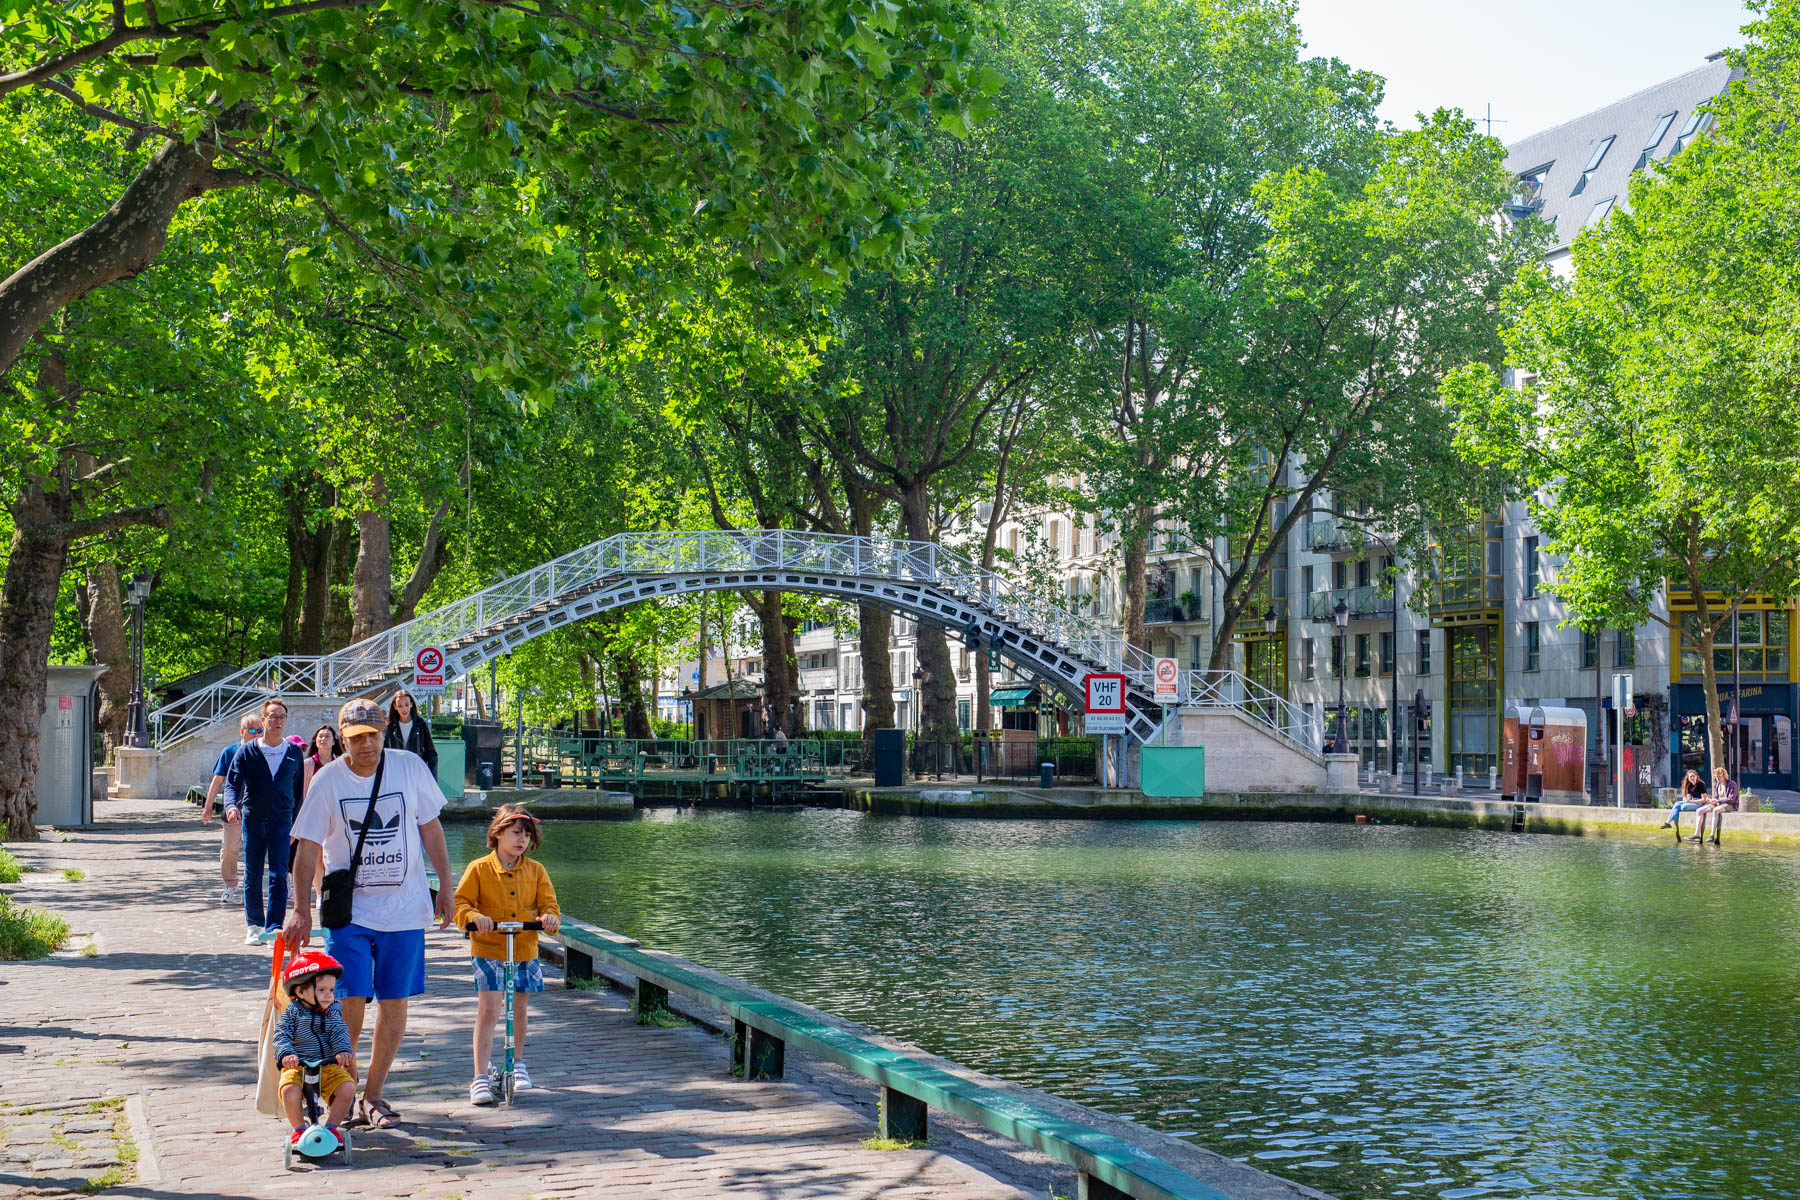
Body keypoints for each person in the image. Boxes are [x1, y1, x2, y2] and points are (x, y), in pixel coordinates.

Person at [286, 697, 454, 1131]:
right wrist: (300, 909)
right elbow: (305, 847)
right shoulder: (327, 780)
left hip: (404, 910)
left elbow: (430, 827)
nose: (367, 745)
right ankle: (341, 1089)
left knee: (395, 1005)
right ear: (343, 738)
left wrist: (447, 888)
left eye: (373, 736)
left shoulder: (409, 767)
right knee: (347, 1004)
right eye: (357, 738)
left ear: (384, 734)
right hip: (351, 912)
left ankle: (374, 1095)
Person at [451, 805, 560, 1106]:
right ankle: (479, 1077)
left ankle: (518, 1063)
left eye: (526, 835)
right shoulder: (479, 868)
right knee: (489, 1008)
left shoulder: (536, 871)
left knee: (520, 1008)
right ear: (498, 834)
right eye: (515, 833)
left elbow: (550, 905)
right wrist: (475, 916)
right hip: (489, 949)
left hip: (524, 948)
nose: (521, 840)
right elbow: (461, 904)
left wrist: (550, 918)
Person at [224, 699, 311, 945]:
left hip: (282, 820)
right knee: (252, 874)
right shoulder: (248, 751)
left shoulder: (293, 752)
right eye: (272, 716)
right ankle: (253, 925)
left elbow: (298, 793)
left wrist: (297, 825)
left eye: (282, 717)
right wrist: (231, 806)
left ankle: (273, 927)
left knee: (279, 874)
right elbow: (232, 784)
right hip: (253, 818)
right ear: (263, 720)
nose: (277, 721)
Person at [273, 950, 357, 1144]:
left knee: (347, 1088)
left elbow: (339, 1032)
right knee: (289, 1091)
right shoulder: (292, 1013)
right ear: (300, 991)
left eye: (331, 990)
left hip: (327, 1066)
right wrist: (286, 1054)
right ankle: (299, 1130)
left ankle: (331, 1128)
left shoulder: (333, 1012)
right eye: (321, 990)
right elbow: (281, 1034)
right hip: (298, 1066)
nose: (328, 996)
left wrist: (342, 1050)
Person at [200, 713, 259, 907]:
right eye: (252, 731)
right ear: (242, 732)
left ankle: (252, 889)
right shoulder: (230, 751)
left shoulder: (267, 751)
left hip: (259, 810)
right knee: (230, 849)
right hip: (234, 809)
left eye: (260, 730)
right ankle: (231, 885)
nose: (257, 734)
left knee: (256, 851)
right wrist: (208, 807)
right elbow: (218, 780)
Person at [385, 688, 438, 777]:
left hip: (416, 773)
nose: (404, 709)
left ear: (411, 704)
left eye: (406, 704)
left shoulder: (420, 724)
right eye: (400, 705)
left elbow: (431, 753)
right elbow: (384, 753)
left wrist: (432, 780)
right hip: (396, 774)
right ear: (395, 706)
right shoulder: (390, 727)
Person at [1693, 765, 1740, 843]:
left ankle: (1712, 835)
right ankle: (1697, 834)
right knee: (1699, 810)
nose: (1717, 778)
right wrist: (1711, 800)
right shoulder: (1717, 784)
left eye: (1719, 776)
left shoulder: (1732, 784)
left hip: (1730, 805)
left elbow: (1731, 800)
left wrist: (1718, 801)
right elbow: (1716, 797)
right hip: (1718, 803)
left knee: (1715, 810)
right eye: (1716, 776)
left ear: (1724, 775)